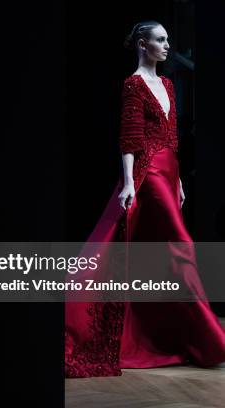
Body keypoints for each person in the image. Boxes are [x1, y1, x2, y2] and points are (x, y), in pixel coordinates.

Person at [64, 21, 225, 378]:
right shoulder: (133, 84)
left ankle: (174, 336)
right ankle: (211, 338)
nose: (168, 46)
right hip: (148, 172)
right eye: (161, 40)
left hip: (169, 173)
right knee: (180, 245)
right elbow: (130, 138)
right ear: (143, 44)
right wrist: (127, 183)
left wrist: (179, 178)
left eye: (167, 39)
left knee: (162, 252)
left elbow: (171, 136)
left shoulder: (167, 83)